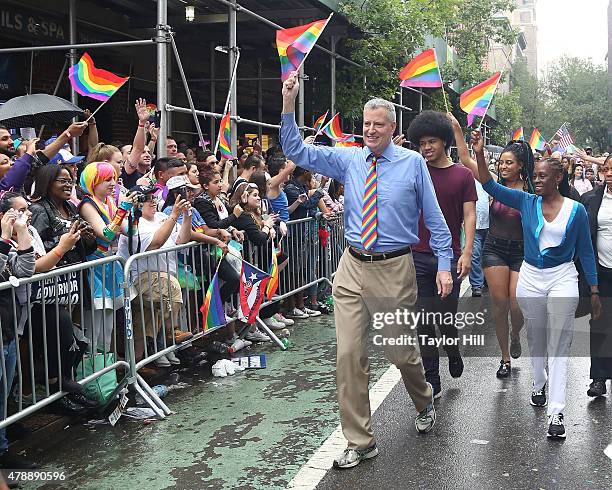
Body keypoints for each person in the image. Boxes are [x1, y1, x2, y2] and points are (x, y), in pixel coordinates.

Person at [280, 71, 452, 468]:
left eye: (378, 124)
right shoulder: (348, 158)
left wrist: (444, 265)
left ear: (392, 128)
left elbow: (436, 219)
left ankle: (423, 399)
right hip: (351, 267)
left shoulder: (412, 164)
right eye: (366, 124)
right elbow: (296, 149)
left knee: (400, 352)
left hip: (394, 269)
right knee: (349, 354)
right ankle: (360, 441)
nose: (371, 130)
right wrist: (289, 103)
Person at [472, 130, 601, 439]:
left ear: (557, 178)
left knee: (559, 343)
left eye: (542, 176)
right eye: (534, 175)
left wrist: (594, 290)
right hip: (530, 277)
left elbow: (585, 251)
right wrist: (477, 153)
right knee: (538, 337)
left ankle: (556, 413)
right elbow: (489, 184)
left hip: (563, 277)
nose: (536, 180)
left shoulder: (576, 210)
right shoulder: (525, 201)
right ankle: (538, 381)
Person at [448, 113, 533, 378]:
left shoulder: (533, 189)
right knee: (499, 304)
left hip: (522, 253)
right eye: (502, 162)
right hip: (494, 249)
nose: (504, 167)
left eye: (509, 163)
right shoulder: (492, 184)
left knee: (517, 306)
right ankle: (505, 358)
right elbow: (465, 159)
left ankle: (515, 334)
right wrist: (458, 132)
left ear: (521, 166)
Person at [406, 111, 477, 399]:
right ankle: (432, 379)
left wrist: (468, 252)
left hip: (450, 257)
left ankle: (452, 348)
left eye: (431, 142)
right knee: (423, 320)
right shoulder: (414, 169)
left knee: (445, 319)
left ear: (445, 141)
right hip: (417, 256)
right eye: (421, 143)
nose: (426, 148)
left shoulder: (463, 175)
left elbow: (469, 215)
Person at [118, 189, 192, 366]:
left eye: (153, 198)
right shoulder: (134, 223)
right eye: (146, 199)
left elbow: (182, 240)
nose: (152, 202)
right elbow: (155, 243)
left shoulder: (160, 217)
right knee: (171, 288)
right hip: (139, 278)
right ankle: (171, 332)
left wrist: (186, 216)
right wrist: (174, 214)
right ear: (136, 204)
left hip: (160, 277)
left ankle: (142, 362)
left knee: (148, 319)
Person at [79, 162, 134, 351]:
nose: (113, 183)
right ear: (93, 182)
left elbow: (128, 231)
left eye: (114, 179)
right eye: (107, 179)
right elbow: (107, 234)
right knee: (95, 324)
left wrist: (131, 212)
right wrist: (123, 210)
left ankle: (105, 372)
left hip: (109, 264)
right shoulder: (87, 204)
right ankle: (92, 372)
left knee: (108, 326)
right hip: (94, 266)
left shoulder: (109, 202)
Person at [0, 194, 37, 470]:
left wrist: (22, 232)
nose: (25, 216)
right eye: (19, 212)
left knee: (3, 390)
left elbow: (25, 271)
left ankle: (2, 447)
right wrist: (3, 236)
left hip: (8, 328)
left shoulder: (10, 241)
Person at [580, 154, 612, 397]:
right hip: (601, 272)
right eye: (607, 168)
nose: (609, 173)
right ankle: (599, 378)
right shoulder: (592, 199)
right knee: (600, 322)